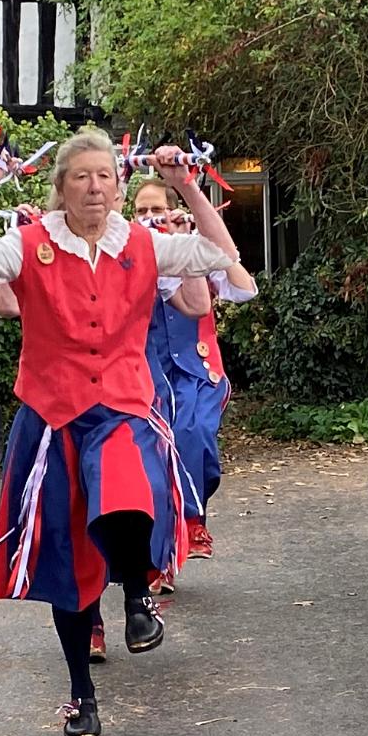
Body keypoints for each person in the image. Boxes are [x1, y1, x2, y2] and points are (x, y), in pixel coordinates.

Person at [0, 128, 236, 736]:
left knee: (128, 488)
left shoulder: (147, 245)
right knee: (67, 563)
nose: (94, 187)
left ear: (119, 185)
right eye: (81, 177)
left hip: (123, 407)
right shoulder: (30, 246)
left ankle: (134, 597)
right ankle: (82, 694)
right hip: (53, 419)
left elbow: (220, 254)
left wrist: (187, 186)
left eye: (104, 176)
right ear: (61, 187)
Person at [135, 176, 258, 560]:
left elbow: (243, 288)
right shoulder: (130, 254)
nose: (150, 218)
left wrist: (191, 241)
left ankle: (192, 520)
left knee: (194, 431)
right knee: (150, 457)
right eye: (141, 211)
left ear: (173, 212)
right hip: (147, 375)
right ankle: (157, 551)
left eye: (157, 210)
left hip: (198, 372)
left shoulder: (195, 250)